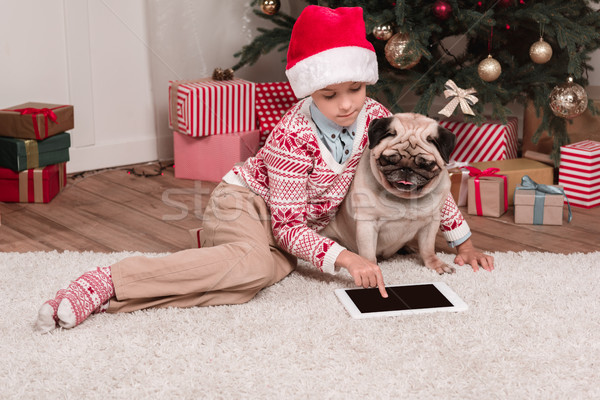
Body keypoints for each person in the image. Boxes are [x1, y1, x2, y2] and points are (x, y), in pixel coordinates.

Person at [36, 5, 493, 333]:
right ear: (309, 90)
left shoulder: (377, 119)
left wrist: (462, 240)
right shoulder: (291, 135)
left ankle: (116, 300)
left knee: (246, 283)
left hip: (294, 228)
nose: (347, 104)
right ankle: (108, 280)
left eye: (354, 88)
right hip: (251, 204)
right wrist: (344, 257)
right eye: (330, 94)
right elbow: (290, 224)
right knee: (254, 265)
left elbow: (425, 177)